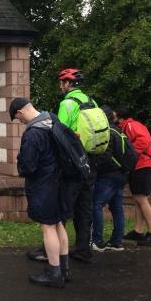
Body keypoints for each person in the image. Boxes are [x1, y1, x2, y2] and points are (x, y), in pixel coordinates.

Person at [10, 97, 70, 288]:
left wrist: (20, 162)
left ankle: (54, 273)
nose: (21, 122)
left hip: (44, 185)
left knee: (48, 226)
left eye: (18, 119)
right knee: (58, 222)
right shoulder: (53, 120)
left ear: (20, 113)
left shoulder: (34, 133)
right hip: (60, 181)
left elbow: (27, 166)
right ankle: (64, 268)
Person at [55, 68, 96, 263]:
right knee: (84, 207)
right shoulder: (91, 101)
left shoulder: (68, 103)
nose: (60, 86)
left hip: (73, 163)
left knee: (63, 205)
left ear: (67, 84)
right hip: (90, 162)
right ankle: (83, 249)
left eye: (62, 82)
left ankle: (52, 249)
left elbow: (60, 133)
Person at [113, 105, 151, 246]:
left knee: (141, 199)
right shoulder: (125, 126)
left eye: (114, 113)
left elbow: (144, 141)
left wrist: (130, 154)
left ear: (120, 116)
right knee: (138, 199)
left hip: (144, 166)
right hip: (139, 166)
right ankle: (138, 231)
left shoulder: (132, 125)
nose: (112, 115)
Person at [90, 105, 128, 251]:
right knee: (117, 208)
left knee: (96, 204)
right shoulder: (118, 131)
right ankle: (117, 241)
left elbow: (105, 156)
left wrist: (96, 167)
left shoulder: (107, 133)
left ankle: (97, 240)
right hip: (122, 174)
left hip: (109, 176)